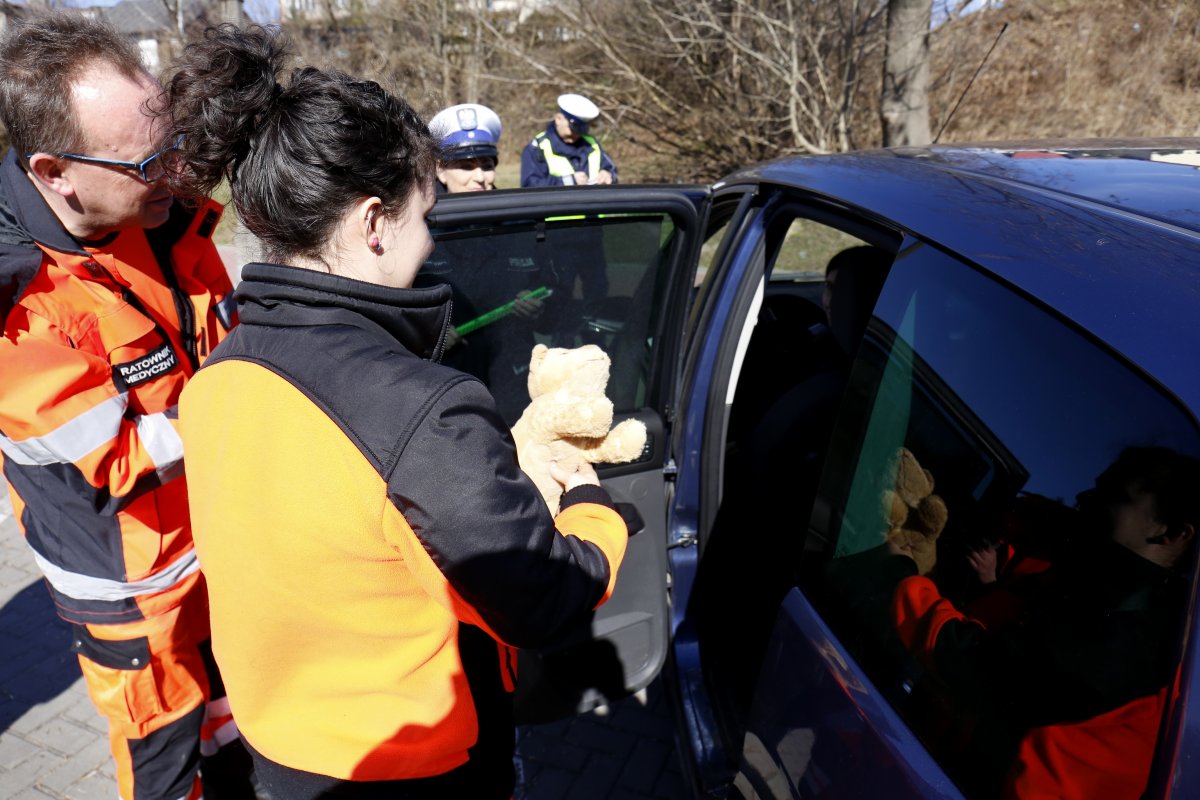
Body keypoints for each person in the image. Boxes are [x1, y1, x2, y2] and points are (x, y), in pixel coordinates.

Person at [162, 24, 630, 799]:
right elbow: (544, 600)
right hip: (407, 767)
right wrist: (589, 505)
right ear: (374, 221)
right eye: (426, 215)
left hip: (278, 752)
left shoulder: (218, 373)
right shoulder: (421, 405)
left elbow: (345, 523)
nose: (429, 241)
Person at [0, 11, 254, 800]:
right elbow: (115, 459)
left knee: (235, 729)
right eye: (150, 158)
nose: (177, 170)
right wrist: (255, 406)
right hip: (136, 598)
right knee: (165, 769)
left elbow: (225, 332)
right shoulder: (18, 307)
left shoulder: (157, 211)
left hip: (221, 549)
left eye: (173, 143)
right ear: (54, 171)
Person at [887, 446, 1200, 799]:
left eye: (1114, 495)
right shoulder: (1091, 586)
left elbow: (988, 671)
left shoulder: (1137, 636)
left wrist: (897, 577)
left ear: (1172, 532)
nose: (1083, 497)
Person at [520, 93, 617, 187]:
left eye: (581, 130)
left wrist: (608, 175)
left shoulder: (592, 144)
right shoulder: (538, 148)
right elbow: (530, 185)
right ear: (558, 119)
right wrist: (569, 181)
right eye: (573, 129)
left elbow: (611, 169)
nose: (576, 134)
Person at [429, 102, 502, 194]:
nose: (480, 178)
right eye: (466, 167)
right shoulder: (421, 208)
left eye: (487, 167)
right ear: (440, 171)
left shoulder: (511, 207)